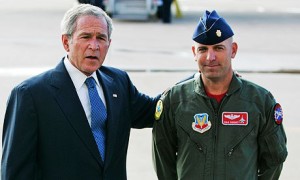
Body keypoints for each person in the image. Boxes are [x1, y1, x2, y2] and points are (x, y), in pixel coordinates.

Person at [1, 4, 159, 180]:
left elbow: (157, 110)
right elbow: (14, 172)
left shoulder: (119, 83)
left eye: (101, 38)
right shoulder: (31, 95)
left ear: (109, 43)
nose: (94, 45)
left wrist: (195, 81)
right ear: (66, 42)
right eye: (86, 37)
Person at [152, 10, 288, 179]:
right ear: (194, 53)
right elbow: (163, 162)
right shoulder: (174, 101)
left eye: (218, 48)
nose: (210, 57)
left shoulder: (260, 101)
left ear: (233, 50)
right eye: (203, 49)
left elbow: (274, 160)